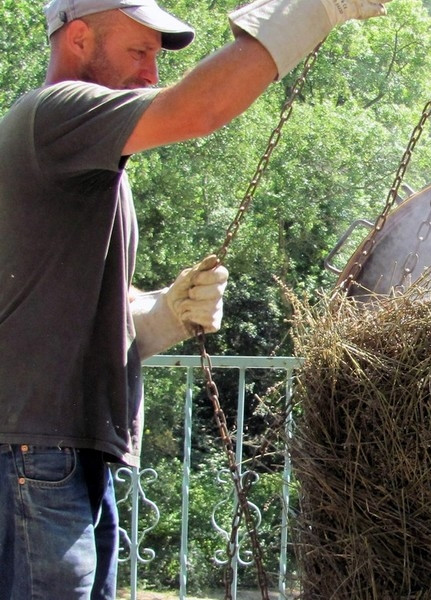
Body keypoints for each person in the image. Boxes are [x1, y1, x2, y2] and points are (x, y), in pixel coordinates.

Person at [0, 0, 391, 598]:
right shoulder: (52, 114)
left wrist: (160, 313)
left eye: (156, 59)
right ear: (78, 38)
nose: (151, 73)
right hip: (38, 452)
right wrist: (310, 10)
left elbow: (64, 300)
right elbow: (197, 108)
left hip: (59, 451)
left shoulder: (77, 157)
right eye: (138, 51)